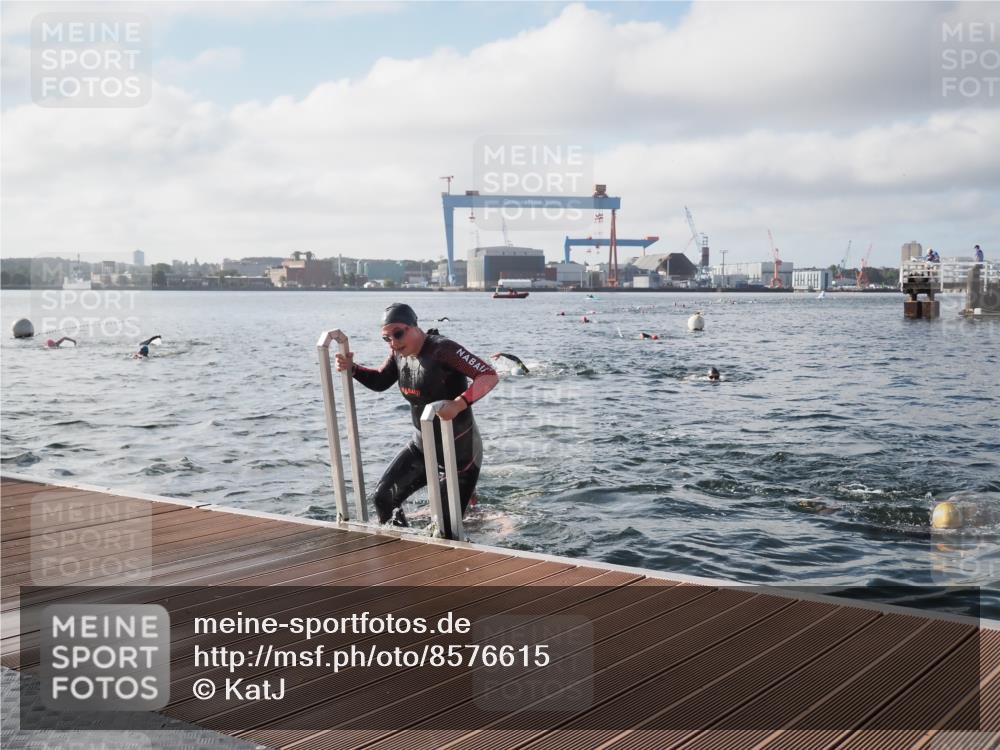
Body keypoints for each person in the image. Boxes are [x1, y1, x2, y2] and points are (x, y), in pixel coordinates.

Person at [335, 303, 498, 538]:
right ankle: (402, 556)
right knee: (383, 498)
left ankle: (465, 523)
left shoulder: (444, 349)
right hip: (423, 446)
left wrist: (459, 403)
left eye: (398, 334)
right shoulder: (399, 354)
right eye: (386, 338)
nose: (393, 342)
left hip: (460, 455)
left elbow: (488, 375)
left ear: (414, 326)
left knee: (445, 528)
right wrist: (353, 369)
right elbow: (381, 381)